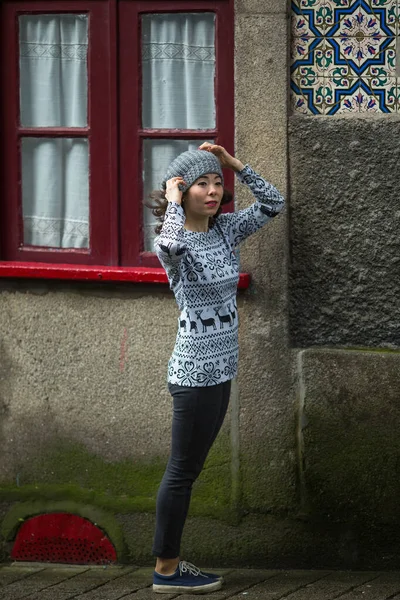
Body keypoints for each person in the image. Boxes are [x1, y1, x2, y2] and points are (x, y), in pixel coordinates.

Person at [147, 142, 285, 594]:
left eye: (215, 183)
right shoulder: (176, 242)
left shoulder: (225, 229)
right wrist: (170, 201)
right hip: (193, 374)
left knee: (189, 470)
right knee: (182, 471)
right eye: (200, 183)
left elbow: (273, 203)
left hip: (223, 367)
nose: (211, 190)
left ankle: (169, 566)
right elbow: (168, 243)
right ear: (183, 191)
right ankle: (166, 569)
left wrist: (234, 165)